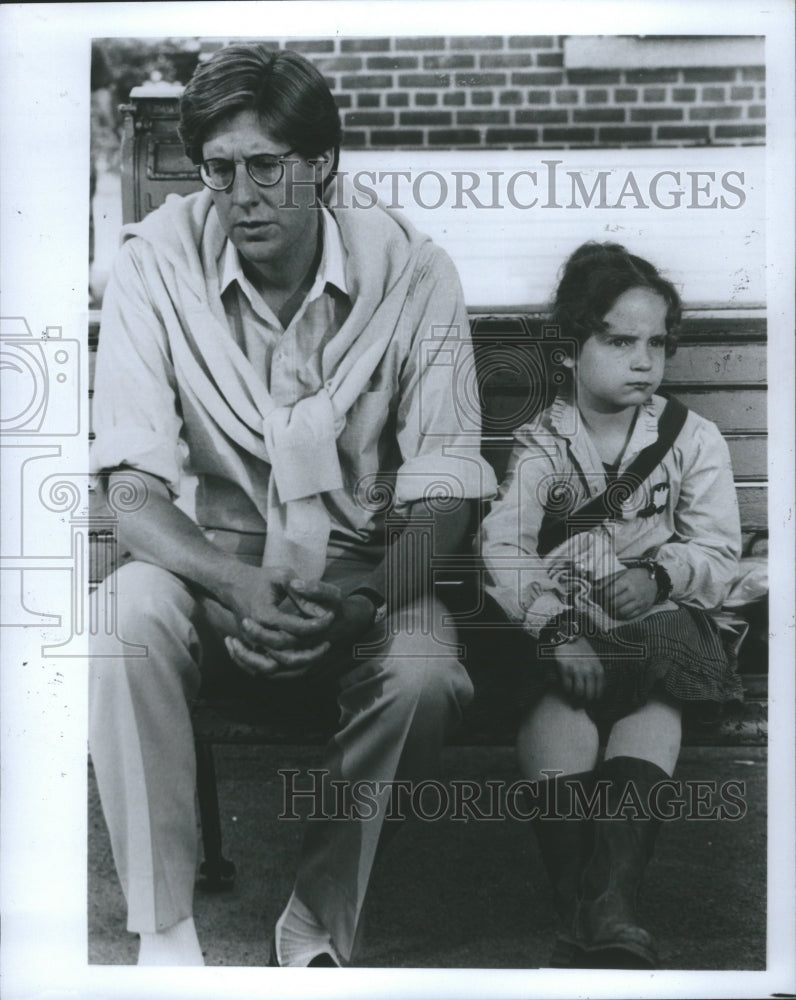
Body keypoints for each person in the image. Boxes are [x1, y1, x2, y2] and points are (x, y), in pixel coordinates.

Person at [89, 43, 495, 967]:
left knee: (428, 666)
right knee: (120, 615)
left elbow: (445, 488)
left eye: (267, 165)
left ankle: (318, 919)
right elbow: (133, 489)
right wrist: (231, 580)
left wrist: (362, 603)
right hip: (211, 568)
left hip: (359, 573)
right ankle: (165, 932)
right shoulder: (154, 267)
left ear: (322, 163)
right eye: (219, 169)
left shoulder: (415, 273)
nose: (242, 195)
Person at [478, 242, 742, 969]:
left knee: (657, 685)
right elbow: (504, 550)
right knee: (556, 689)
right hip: (569, 632)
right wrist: (556, 625)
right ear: (569, 351)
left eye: (656, 343)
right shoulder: (542, 446)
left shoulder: (692, 440)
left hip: (654, 627)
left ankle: (607, 904)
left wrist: (661, 575)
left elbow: (721, 555)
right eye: (619, 340)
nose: (643, 360)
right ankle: (590, 904)